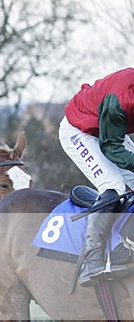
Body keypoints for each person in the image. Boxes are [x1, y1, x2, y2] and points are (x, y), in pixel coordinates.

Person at [59, 67, 134, 287]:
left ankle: (125, 244)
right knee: (113, 187)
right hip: (79, 130)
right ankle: (91, 260)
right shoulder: (120, 99)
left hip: (107, 128)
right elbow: (111, 148)